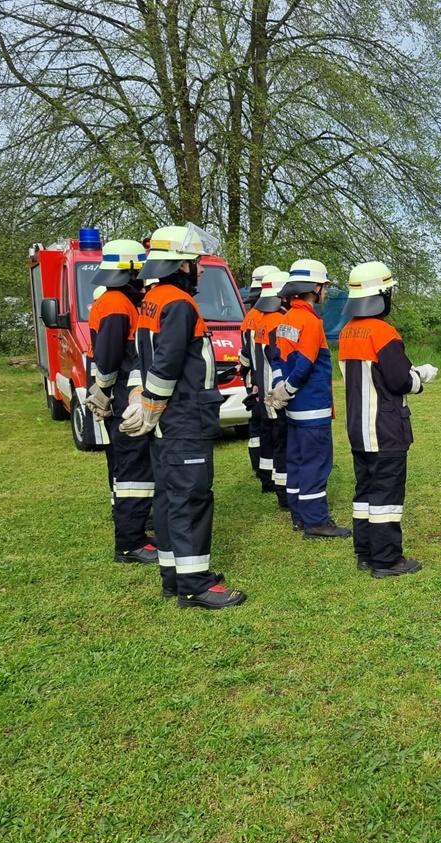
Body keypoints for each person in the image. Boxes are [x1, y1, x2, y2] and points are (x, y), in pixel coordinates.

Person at [121, 223, 247, 609]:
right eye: (196, 263)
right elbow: (167, 365)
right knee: (191, 497)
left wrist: (143, 403)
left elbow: (147, 361)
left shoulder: (151, 299)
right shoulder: (178, 302)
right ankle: (195, 585)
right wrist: (153, 409)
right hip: (182, 419)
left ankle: (174, 576)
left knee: (169, 495)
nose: (203, 270)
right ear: (180, 266)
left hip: (170, 418)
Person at [337, 261, 435, 576]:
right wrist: (421, 376)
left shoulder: (347, 331)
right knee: (386, 497)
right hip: (385, 428)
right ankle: (387, 560)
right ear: (382, 295)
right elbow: (400, 381)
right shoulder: (382, 332)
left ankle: (365, 553)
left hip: (358, 428)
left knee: (365, 492)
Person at [266, 259, 351, 539]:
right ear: (315, 288)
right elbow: (304, 366)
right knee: (317, 463)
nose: (325, 292)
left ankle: (299, 516)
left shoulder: (286, 319)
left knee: (297, 462)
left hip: (293, 410)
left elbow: (277, 359)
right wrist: (289, 390)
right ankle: (316, 522)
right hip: (312, 406)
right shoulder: (311, 321)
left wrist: (280, 390)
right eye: (324, 287)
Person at [85, 239, 157, 565]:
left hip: (120, 398)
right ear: (130, 270)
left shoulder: (117, 300)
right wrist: (103, 391)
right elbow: (111, 357)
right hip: (124, 400)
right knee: (132, 473)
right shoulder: (116, 304)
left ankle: (134, 531)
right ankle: (130, 543)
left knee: (126, 469)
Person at [247, 268, 290, 510]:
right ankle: (282, 491)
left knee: (266, 437)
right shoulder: (278, 321)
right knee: (280, 441)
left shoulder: (260, 318)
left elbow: (249, 354)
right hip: (276, 394)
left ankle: (267, 478)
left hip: (262, 389)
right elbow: (279, 359)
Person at [237, 265, 279, 491]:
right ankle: (270, 476)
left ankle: (262, 470)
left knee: (258, 428)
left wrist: (244, 372)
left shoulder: (251, 317)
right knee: (269, 429)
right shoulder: (271, 319)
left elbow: (246, 353)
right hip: (265, 383)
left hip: (255, 381)